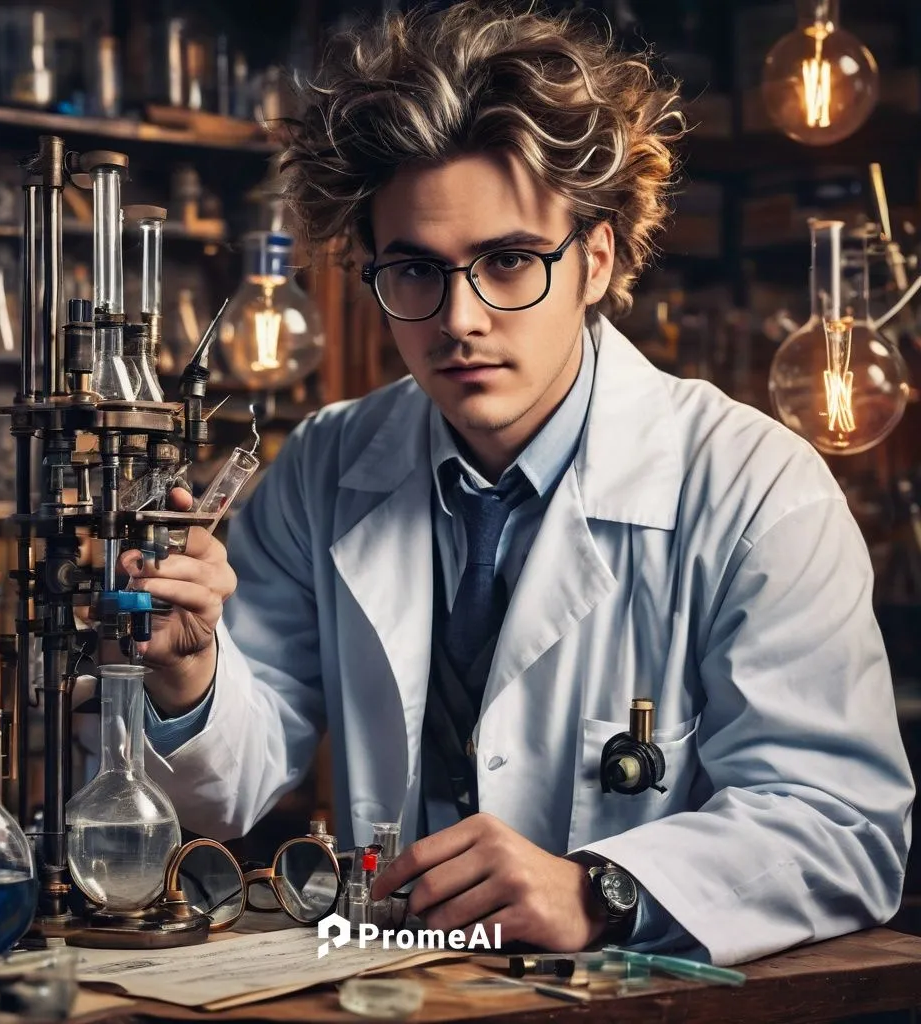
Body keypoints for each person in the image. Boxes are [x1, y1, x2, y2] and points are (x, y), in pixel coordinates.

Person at [121, 1, 914, 965]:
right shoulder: (328, 466)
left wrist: (601, 887)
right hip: (404, 983)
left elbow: (842, 826)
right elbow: (226, 784)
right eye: (415, 270)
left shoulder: (753, 487)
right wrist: (188, 672)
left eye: (507, 261)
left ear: (598, 257)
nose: (458, 318)